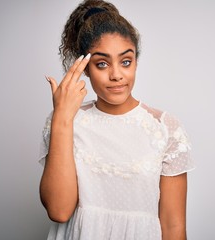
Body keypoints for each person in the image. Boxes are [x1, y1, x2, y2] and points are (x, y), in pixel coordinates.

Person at [38, 0, 195, 239]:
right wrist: (62, 118)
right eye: (102, 64)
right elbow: (59, 210)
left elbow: (174, 226)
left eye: (126, 62)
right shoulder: (66, 121)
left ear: (136, 62)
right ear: (85, 68)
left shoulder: (165, 128)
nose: (116, 75)